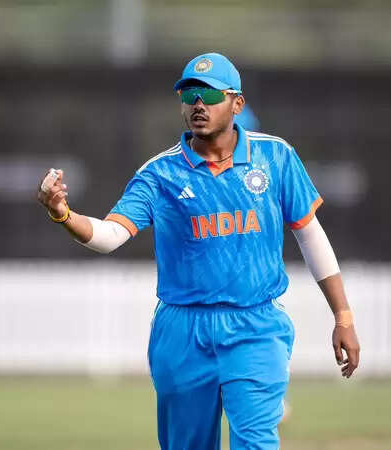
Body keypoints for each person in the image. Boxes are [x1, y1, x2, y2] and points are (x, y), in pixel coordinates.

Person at [37, 52, 360, 450]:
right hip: (182, 331)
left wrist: (343, 316)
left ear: (237, 104)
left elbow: (310, 236)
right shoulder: (159, 173)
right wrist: (63, 213)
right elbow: (109, 235)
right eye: (189, 95)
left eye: (209, 94)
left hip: (256, 325)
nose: (198, 104)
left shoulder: (276, 156)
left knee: (256, 442)